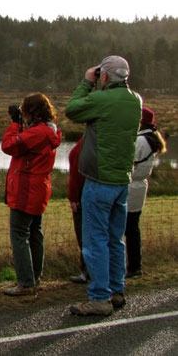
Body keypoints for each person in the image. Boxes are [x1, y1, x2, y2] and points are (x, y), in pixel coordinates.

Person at [66, 55, 141, 316]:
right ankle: (116, 290)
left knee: (94, 240)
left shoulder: (101, 99)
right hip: (122, 180)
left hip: (98, 181)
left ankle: (99, 297)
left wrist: (87, 82)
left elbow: (72, 109)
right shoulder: (135, 101)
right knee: (114, 239)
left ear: (105, 77)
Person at [1, 93, 62, 296]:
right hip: (38, 188)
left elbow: (9, 146)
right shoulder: (48, 130)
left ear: (31, 112)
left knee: (19, 234)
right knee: (35, 232)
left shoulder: (37, 133)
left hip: (26, 189)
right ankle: (34, 277)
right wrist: (21, 125)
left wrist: (15, 125)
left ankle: (26, 282)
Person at [125, 106, 167, 278]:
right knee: (133, 228)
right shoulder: (151, 139)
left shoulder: (140, 141)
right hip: (139, 186)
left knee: (127, 228)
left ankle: (132, 266)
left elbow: (128, 162)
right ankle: (135, 266)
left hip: (131, 186)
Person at [68, 137, 88, 284]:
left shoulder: (86, 142)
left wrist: (74, 196)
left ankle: (87, 272)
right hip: (110, 189)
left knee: (84, 236)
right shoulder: (111, 136)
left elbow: (77, 172)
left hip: (84, 194)